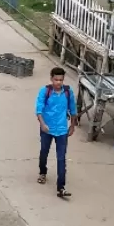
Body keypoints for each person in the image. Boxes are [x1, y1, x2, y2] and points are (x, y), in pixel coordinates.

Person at [35, 65, 78, 198]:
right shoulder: (45, 91)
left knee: (61, 159)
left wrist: (72, 126)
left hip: (62, 130)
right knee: (44, 152)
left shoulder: (67, 92)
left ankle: (61, 187)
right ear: (51, 79)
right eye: (56, 79)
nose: (58, 82)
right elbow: (39, 109)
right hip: (47, 128)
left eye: (61, 80)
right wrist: (42, 124)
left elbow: (73, 110)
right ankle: (43, 172)